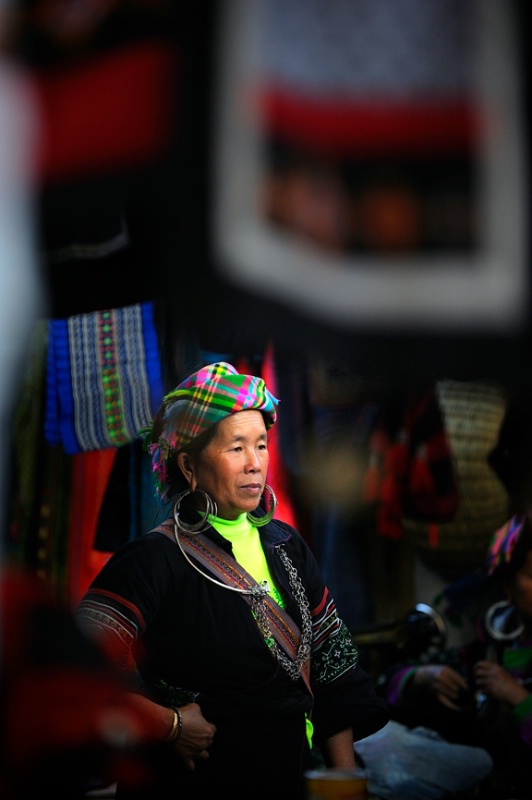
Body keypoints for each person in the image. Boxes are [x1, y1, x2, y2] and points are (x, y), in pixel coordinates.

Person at [74, 361, 389, 800]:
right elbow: (74, 667)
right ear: (189, 464)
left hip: (290, 778)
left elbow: (333, 668)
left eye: (261, 445)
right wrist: (171, 725)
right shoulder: (153, 559)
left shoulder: (287, 546)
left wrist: (344, 783)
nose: (255, 464)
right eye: (235, 448)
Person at [378, 512, 532, 799]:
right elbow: (388, 683)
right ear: (509, 588)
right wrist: (424, 677)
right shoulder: (490, 652)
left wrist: (517, 698)